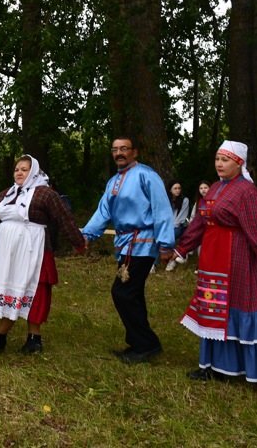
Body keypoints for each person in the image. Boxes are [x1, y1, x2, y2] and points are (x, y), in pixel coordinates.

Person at [162, 140, 257, 383]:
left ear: (239, 163)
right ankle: (213, 365)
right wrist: (182, 248)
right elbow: (199, 223)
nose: (219, 164)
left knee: (239, 307)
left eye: (225, 160)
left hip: (238, 259)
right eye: (217, 159)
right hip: (212, 259)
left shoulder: (248, 192)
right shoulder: (214, 188)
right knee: (214, 308)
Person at [0, 155, 86, 354]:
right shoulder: (8, 193)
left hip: (35, 248)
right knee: (12, 290)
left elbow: (65, 219)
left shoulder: (46, 194)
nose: (19, 173)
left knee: (35, 290)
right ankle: (14, 339)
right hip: (8, 252)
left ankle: (26, 338)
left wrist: (78, 244)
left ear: (35, 172)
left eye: (24, 169)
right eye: (16, 169)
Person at [81, 136, 175, 364]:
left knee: (123, 292)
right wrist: (86, 235)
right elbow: (103, 211)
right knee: (132, 294)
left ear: (135, 152)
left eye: (124, 148)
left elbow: (162, 209)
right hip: (125, 245)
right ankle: (139, 344)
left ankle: (147, 345)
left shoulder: (147, 175)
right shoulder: (113, 181)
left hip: (143, 242)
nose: (119, 153)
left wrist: (165, 244)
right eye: (115, 149)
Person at [163, 180, 190, 271]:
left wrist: (169, 229)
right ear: (170, 190)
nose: (178, 190)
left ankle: (171, 260)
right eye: (175, 188)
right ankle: (154, 264)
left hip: (179, 227)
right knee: (158, 238)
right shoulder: (166, 200)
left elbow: (181, 218)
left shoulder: (184, 200)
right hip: (167, 227)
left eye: (179, 188)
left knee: (170, 236)